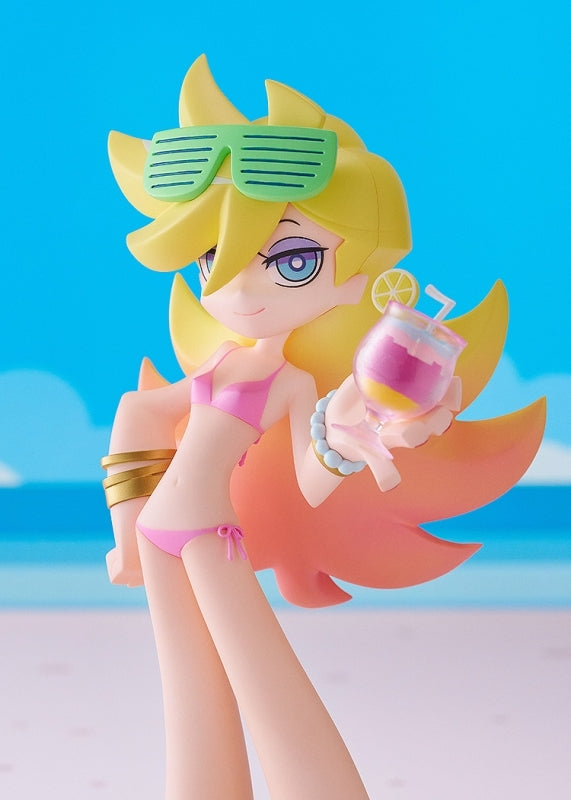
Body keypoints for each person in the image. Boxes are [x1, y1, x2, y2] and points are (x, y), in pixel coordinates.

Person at [102, 55, 545, 799]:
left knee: (261, 674)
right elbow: (136, 413)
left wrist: (338, 444)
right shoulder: (219, 363)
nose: (240, 285)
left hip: (212, 537)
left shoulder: (289, 382)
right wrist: (126, 532)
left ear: (352, 281)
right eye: (213, 257)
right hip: (158, 534)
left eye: (292, 260)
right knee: (190, 692)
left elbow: (306, 484)